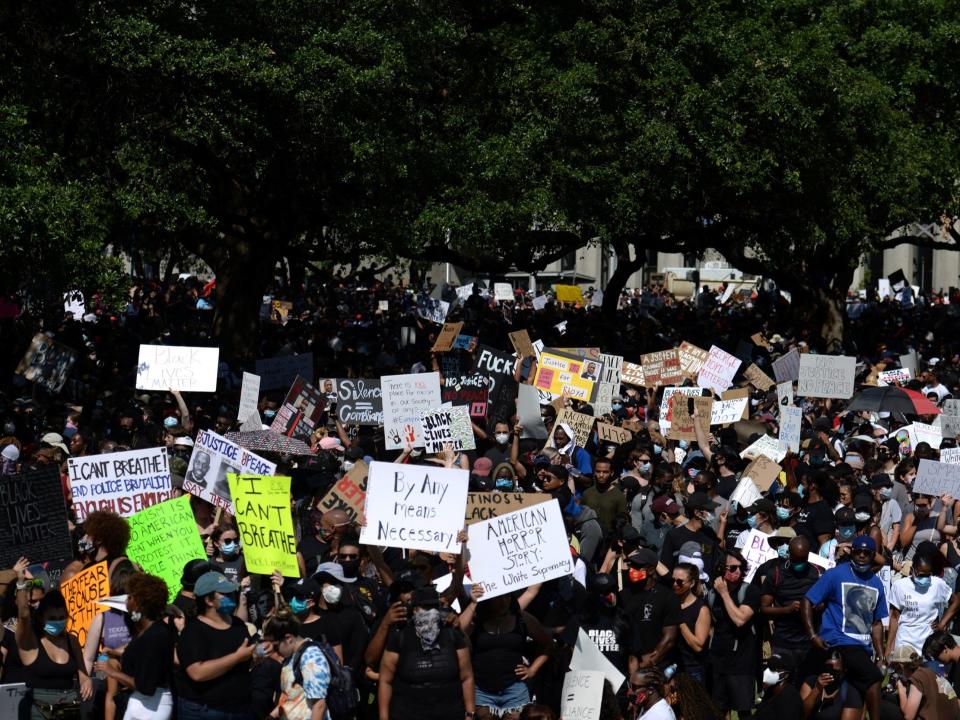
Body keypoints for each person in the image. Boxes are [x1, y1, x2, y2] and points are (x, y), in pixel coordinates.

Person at [802, 536, 887, 720]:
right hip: (840, 643)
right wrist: (812, 635)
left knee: (854, 695)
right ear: (852, 553)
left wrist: (880, 655)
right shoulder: (835, 574)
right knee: (874, 679)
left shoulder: (876, 583)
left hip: (863, 649)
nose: (862, 556)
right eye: (858, 551)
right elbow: (807, 600)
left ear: (873, 556)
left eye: (867, 553)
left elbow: (877, 623)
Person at [377, 586, 475, 720]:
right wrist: (383, 717)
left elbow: (467, 677)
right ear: (415, 609)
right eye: (425, 607)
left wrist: (470, 714)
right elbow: (385, 681)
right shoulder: (401, 638)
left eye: (433, 607)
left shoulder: (452, 635)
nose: (430, 612)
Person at [13, 557, 92, 719]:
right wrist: (20, 580)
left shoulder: (71, 641)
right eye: (53, 618)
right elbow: (24, 614)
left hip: (69, 708)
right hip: (38, 710)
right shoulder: (30, 642)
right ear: (42, 618)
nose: (58, 622)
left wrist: (86, 681)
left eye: (61, 617)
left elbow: (82, 673)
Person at [459, 586, 553, 717]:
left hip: (515, 692)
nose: (504, 601)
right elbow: (456, 632)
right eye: (498, 597)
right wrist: (474, 603)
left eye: (507, 596)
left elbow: (548, 644)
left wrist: (532, 669)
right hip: (482, 692)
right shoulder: (477, 619)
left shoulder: (522, 619)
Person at [94, 573, 175, 720]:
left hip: (153, 707)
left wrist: (112, 672)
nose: (126, 601)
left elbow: (146, 687)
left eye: (129, 597)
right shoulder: (145, 631)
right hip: (140, 703)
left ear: (139, 602)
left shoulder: (155, 636)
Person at [175, 571, 255, 719]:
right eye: (225, 593)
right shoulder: (193, 631)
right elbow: (197, 673)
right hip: (204, 711)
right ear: (209, 600)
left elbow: (248, 654)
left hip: (239, 708)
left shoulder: (237, 624)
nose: (231, 596)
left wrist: (259, 652)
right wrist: (236, 657)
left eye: (232, 592)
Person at [706, 549, 759, 718]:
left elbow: (740, 619)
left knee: (743, 710)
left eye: (740, 568)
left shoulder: (749, 591)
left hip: (742, 661)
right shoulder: (712, 594)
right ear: (721, 569)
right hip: (719, 659)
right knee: (720, 708)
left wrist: (724, 593)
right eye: (732, 568)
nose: (737, 572)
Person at [760, 535, 819, 678]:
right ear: (789, 555)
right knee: (778, 684)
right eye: (796, 560)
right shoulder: (776, 574)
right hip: (783, 641)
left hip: (807, 641)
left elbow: (822, 602)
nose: (799, 564)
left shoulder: (815, 572)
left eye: (802, 560)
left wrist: (814, 608)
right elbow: (764, 608)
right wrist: (787, 610)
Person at [261, 608, 332, 720]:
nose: (274, 651)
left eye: (275, 646)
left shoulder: (311, 658)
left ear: (288, 638)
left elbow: (319, 705)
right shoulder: (290, 657)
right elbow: (291, 698)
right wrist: (271, 716)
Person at [885, 553, 958, 659]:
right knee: (904, 673)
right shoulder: (900, 586)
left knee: (925, 674)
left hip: (928, 642)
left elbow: (956, 601)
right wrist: (888, 647)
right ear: (912, 570)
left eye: (927, 575)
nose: (924, 578)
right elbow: (895, 617)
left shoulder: (937, 584)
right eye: (920, 575)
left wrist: (942, 623)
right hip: (905, 641)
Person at [621, 549, 679, 673]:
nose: (632, 570)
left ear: (651, 570)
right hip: (627, 665)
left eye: (637, 567)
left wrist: (646, 663)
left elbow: (669, 638)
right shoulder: (624, 595)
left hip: (656, 667)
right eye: (631, 566)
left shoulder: (667, 596)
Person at [888, 644, 959, 720]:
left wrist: (901, 689)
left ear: (900, 666)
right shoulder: (932, 672)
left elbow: (908, 716)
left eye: (896, 667)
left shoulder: (917, 678)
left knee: (883, 708)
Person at [671, 563, 710, 684]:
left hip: (692, 670)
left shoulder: (701, 609)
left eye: (680, 582)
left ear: (691, 583)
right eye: (672, 580)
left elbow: (698, 646)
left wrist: (681, 623)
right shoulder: (670, 603)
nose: (675, 585)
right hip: (671, 668)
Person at [799, 650, 864, 720]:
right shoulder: (811, 682)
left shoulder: (850, 692)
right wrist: (816, 689)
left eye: (836, 672)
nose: (831, 674)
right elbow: (800, 715)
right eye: (828, 669)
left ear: (844, 671)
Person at [580, 457, 628, 536]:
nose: (601, 475)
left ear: (611, 473)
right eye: (598, 471)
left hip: (608, 538)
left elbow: (622, 521)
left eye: (605, 472)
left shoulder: (619, 496)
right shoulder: (587, 494)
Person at [750, 654, 803, 720]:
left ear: (786, 675)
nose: (766, 672)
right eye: (767, 667)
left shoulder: (790, 699)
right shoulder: (771, 691)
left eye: (772, 669)